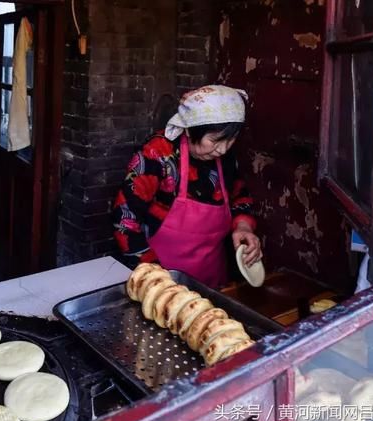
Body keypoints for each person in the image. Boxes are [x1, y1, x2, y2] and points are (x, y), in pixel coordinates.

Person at [112, 85, 263, 289]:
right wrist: (156, 278)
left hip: (211, 282)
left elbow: (240, 196)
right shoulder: (158, 154)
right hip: (158, 283)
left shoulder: (224, 158)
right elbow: (125, 219)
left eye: (231, 139)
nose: (223, 148)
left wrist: (243, 227)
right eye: (215, 140)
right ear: (192, 129)